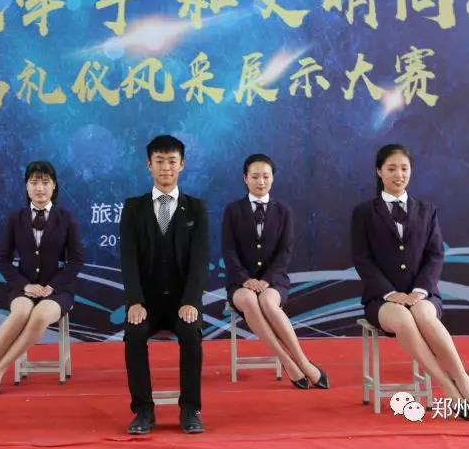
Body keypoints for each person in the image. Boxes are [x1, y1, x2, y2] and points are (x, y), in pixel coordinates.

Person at [351, 144, 469, 419]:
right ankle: (446, 385)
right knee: (403, 318)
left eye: (404, 168)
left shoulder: (427, 210)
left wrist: (420, 290)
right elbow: (362, 260)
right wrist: (391, 294)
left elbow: (435, 255)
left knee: (424, 316)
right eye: (391, 169)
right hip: (382, 299)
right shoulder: (364, 212)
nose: (398, 175)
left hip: (423, 294)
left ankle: (463, 380)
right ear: (379, 172)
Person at [0, 161, 84, 395]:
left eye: (45, 183)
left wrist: (52, 286)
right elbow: (3, 260)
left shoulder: (66, 218)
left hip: (58, 290)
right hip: (23, 286)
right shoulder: (16, 218)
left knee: (39, 316)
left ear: (54, 186)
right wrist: (25, 285)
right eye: (34, 183)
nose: (39, 188)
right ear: (26, 186)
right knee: (21, 312)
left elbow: (76, 260)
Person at [120, 135, 209, 435]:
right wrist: (134, 301)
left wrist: (192, 301)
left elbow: (200, 261)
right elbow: (128, 259)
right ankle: (143, 410)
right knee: (134, 335)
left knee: (191, 334)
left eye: (172, 161)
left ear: (182, 165)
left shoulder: (196, 208)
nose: (166, 167)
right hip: (145, 302)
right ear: (149, 165)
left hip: (183, 302)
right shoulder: (133, 208)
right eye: (159, 161)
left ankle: (190, 409)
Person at [222, 153, 329, 390]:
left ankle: (303, 361)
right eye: (255, 176)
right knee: (249, 300)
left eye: (266, 176)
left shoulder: (283, 211)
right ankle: (288, 362)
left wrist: (267, 280)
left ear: (273, 178)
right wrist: (245, 280)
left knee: (268, 303)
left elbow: (285, 252)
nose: (260, 181)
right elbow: (229, 251)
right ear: (245, 178)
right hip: (240, 282)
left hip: (274, 280)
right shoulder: (233, 210)